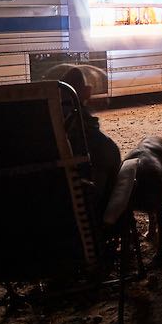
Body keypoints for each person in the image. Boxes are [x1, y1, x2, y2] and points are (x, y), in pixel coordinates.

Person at [48, 66, 121, 221]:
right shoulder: (83, 128)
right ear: (87, 91)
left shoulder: (51, 125)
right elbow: (111, 153)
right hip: (89, 207)